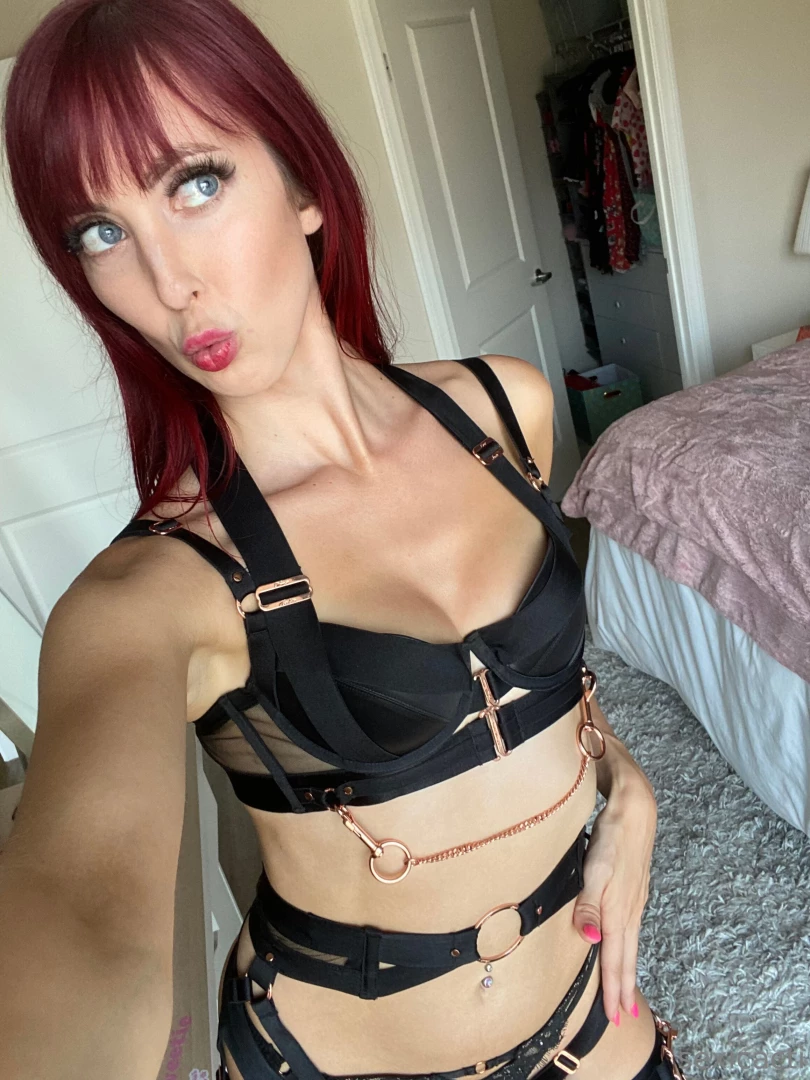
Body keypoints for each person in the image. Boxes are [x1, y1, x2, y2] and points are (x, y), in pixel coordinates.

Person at [0, 2, 685, 1078]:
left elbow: (543, 692)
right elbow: (83, 916)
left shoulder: (505, 410)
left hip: (593, 1015)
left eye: (195, 183)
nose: (168, 285)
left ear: (305, 186)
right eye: (101, 232)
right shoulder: (150, 597)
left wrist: (629, 788)